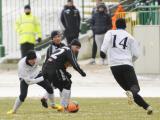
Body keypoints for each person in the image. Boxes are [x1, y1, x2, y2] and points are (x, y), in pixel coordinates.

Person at [100, 18, 153, 115]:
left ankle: (147, 107)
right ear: (125, 26)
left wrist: (102, 52)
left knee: (130, 91)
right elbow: (137, 54)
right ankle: (141, 101)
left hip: (114, 66)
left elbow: (106, 43)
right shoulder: (130, 37)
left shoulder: (110, 33)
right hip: (126, 64)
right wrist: (130, 61)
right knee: (135, 88)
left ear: (115, 25)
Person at [42, 40, 86, 111]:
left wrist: (66, 73)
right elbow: (75, 64)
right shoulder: (69, 50)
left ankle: (45, 97)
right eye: (77, 47)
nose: (77, 50)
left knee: (57, 84)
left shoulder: (62, 48)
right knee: (67, 83)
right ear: (72, 45)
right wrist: (82, 73)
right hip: (55, 68)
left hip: (47, 68)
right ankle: (64, 106)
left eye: (79, 48)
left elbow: (58, 61)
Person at [40, 30, 65, 108]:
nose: (58, 38)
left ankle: (45, 98)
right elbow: (50, 61)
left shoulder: (63, 46)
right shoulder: (51, 49)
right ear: (52, 39)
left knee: (52, 86)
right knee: (62, 86)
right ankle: (63, 105)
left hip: (55, 70)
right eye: (55, 37)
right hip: (51, 70)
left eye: (59, 36)